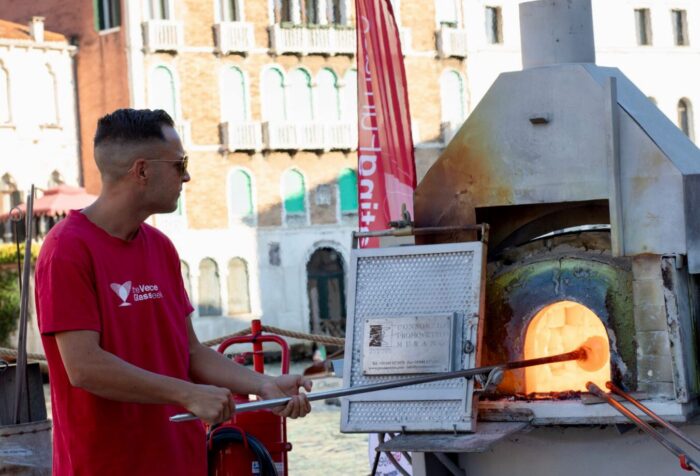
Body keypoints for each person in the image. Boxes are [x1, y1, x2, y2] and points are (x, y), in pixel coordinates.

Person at [35, 108, 312, 476]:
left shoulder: (161, 247)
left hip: (184, 462)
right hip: (104, 465)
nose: (188, 176)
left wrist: (264, 385)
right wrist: (186, 393)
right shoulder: (66, 249)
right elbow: (85, 368)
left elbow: (191, 352)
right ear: (142, 171)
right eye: (180, 164)